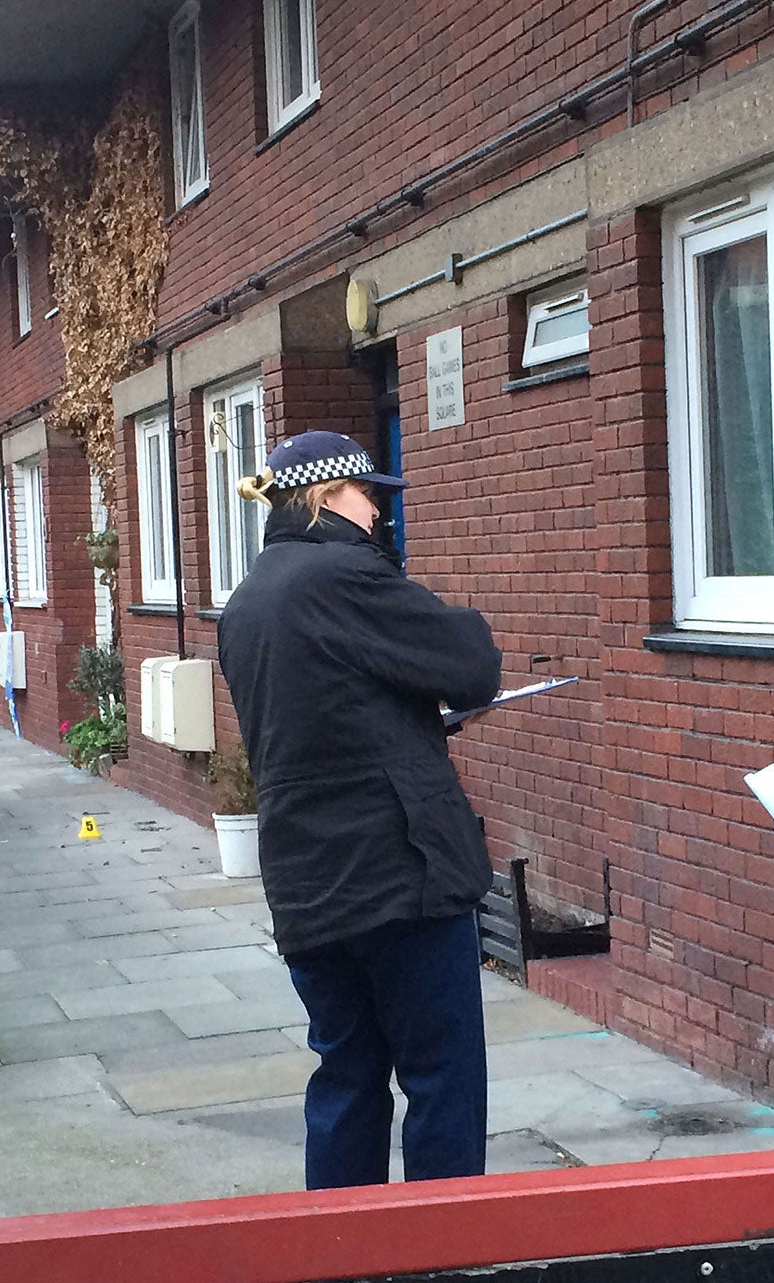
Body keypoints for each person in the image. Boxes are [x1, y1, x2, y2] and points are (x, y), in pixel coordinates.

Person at [217, 430, 502, 1189]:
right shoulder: (344, 574)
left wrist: (408, 723)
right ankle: (445, 1257)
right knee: (442, 1079)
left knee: (346, 1079)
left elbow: (321, 718)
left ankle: (342, 1255)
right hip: (398, 875)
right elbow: (472, 665)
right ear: (323, 497)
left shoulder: (246, 602)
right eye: (368, 493)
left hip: (307, 884)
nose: (379, 509)